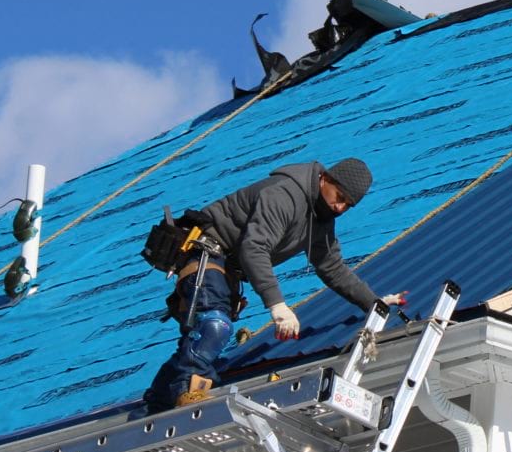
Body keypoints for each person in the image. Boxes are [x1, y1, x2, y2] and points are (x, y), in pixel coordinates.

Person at [143, 158, 399, 412]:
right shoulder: (286, 195)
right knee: (214, 326)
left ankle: (156, 405)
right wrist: (277, 305)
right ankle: (189, 396)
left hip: (226, 269)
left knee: (202, 339)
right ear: (325, 179)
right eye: (339, 196)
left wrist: (374, 303)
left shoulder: (320, 220)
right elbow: (253, 248)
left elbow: (332, 268)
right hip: (206, 252)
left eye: (348, 205)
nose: (340, 207)